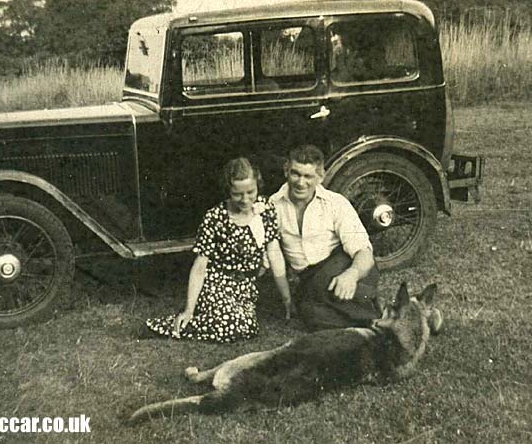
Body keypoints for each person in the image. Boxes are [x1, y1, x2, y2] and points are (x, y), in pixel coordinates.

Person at [146, 158, 292, 343]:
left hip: (246, 286)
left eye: (250, 192)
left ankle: (199, 323)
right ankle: (174, 325)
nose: (245, 199)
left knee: (244, 326)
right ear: (228, 190)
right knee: (238, 326)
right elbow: (200, 266)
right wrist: (189, 309)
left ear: (258, 186)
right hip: (216, 282)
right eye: (237, 194)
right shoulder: (214, 217)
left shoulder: (266, 209)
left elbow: (274, 254)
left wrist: (286, 298)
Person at [270, 145, 381, 331]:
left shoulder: (335, 203)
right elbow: (272, 252)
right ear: (286, 171)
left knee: (321, 293)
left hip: (341, 263)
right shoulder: (273, 206)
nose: (300, 182)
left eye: (308, 176)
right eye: (295, 174)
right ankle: (378, 316)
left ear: (320, 177)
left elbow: (364, 251)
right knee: (311, 315)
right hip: (309, 277)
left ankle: (370, 312)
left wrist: (351, 275)